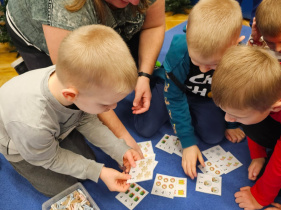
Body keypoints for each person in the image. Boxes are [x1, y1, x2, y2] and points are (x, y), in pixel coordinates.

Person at [6, 0, 165, 156]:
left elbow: (154, 25)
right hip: (45, 28)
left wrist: (144, 75)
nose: (135, 2)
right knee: (67, 113)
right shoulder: (62, 7)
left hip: (102, 27)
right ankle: (34, 66)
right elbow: (82, 87)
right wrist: (121, 137)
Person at [0, 25, 142, 197]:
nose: (113, 109)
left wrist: (119, 149)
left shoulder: (73, 82)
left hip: (51, 127)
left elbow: (87, 120)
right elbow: (48, 158)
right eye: (105, 105)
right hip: (21, 146)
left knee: (89, 160)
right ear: (71, 95)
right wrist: (99, 172)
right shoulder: (34, 125)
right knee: (65, 188)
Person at [136, 0, 246, 179]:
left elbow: (233, 92)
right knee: (145, 128)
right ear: (188, 36)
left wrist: (231, 123)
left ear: (235, 44)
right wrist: (187, 142)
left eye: (212, 64)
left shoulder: (238, 56)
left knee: (214, 137)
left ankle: (181, 118)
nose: (203, 69)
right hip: (174, 89)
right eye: (197, 62)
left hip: (205, 97)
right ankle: (155, 87)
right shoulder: (180, 50)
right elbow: (175, 98)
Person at [211, 45, 281, 209]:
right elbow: (256, 118)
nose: (227, 119)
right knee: (250, 122)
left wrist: (259, 196)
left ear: (276, 107)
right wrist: (258, 155)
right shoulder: (268, 82)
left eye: (235, 115)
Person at [247, 0, 281, 66]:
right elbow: (248, 65)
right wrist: (255, 40)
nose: (277, 48)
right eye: (269, 42)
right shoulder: (260, 38)